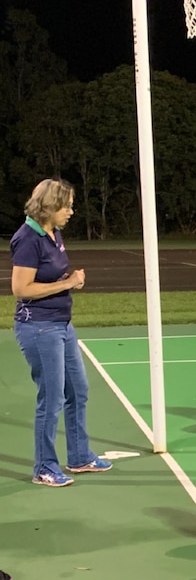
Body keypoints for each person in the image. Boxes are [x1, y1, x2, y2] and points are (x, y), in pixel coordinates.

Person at [10, 179, 112, 487]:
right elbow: (21, 288)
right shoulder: (28, 238)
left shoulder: (54, 234)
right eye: (66, 205)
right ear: (50, 206)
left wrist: (68, 278)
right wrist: (66, 284)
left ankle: (80, 456)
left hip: (62, 325)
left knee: (77, 390)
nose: (71, 210)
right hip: (39, 327)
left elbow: (50, 275)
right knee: (51, 397)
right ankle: (44, 467)